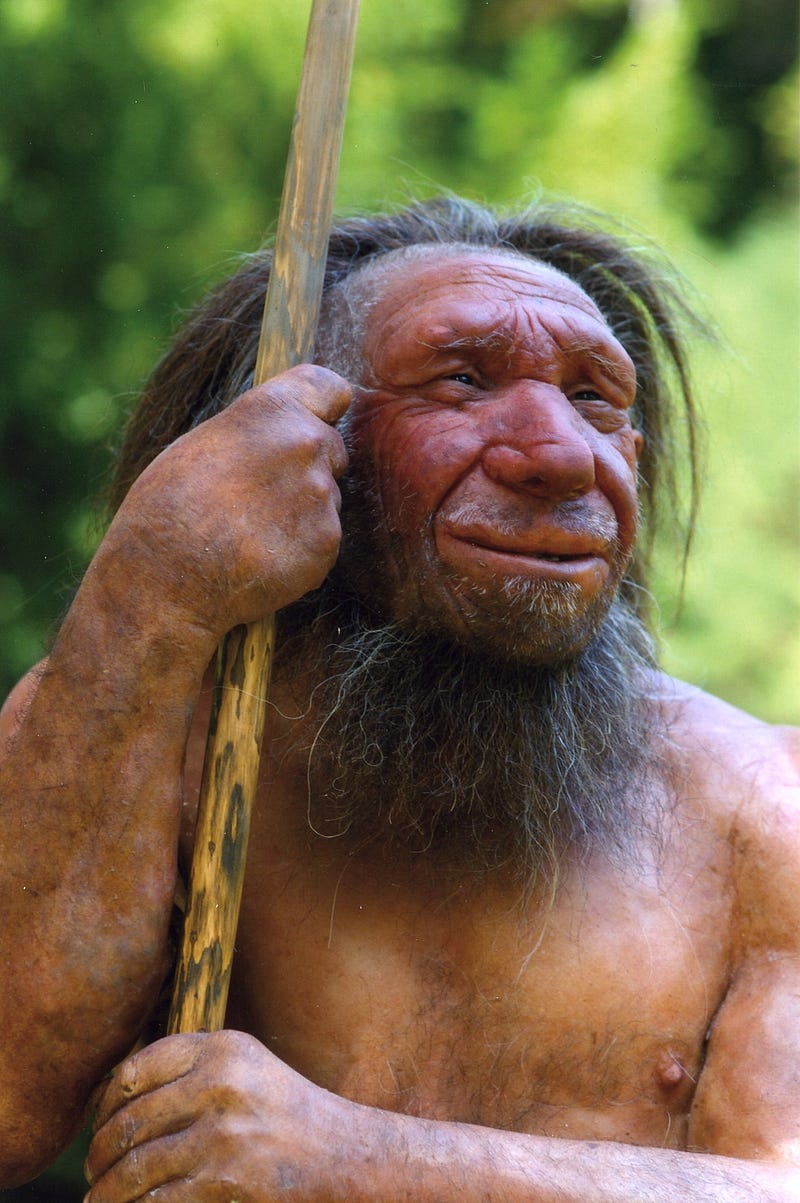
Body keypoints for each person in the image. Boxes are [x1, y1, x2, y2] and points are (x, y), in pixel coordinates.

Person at [1, 197, 798, 1201]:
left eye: (595, 398)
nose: (556, 454)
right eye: (461, 379)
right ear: (309, 442)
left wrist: (356, 1161)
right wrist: (151, 578)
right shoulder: (153, 715)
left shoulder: (762, 810)